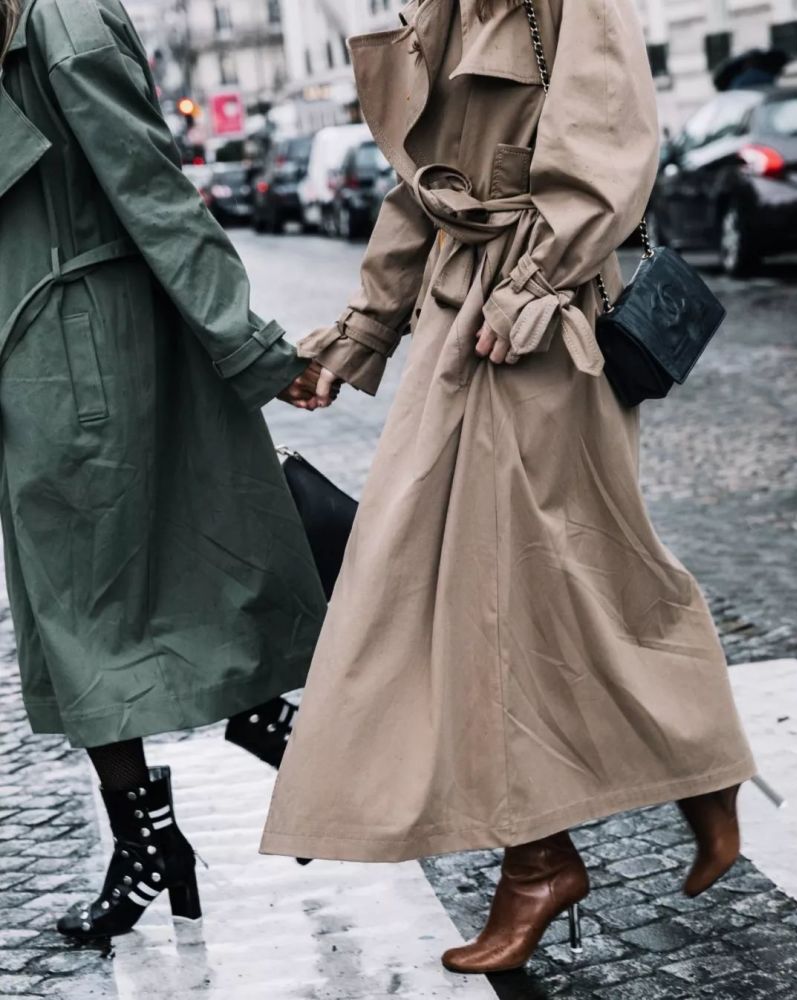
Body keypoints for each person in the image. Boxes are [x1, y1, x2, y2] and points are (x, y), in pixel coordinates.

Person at [261, 0, 756, 974]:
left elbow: (610, 142)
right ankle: (585, 828)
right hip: (464, 317)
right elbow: (422, 188)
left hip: (544, 325)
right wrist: (362, 329)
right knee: (486, 584)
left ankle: (645, 791)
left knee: (551, 572)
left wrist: (534, 283)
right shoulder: (441, 11)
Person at [0, 0, 328, 941]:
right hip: (52, 357)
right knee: (89, 614)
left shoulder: (57, 25)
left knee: (92, 612)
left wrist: (253, 345)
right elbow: (155, 188)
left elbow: (151, 188)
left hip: (82, 350)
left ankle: (242, 771)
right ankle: (224, 781)